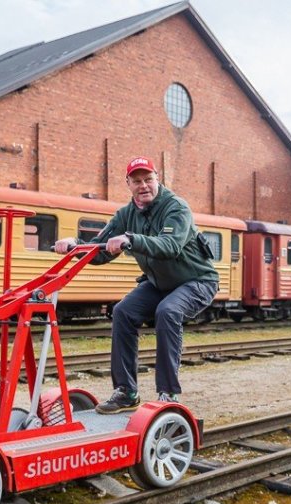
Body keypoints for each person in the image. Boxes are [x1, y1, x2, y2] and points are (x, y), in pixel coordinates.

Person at [54, 156, 218, 413]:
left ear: (157, 179)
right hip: (159, 283)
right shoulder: (125, 215)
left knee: (168, 311)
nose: (144, 186)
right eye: (137, 181)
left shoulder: (176, 207)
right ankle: (126, 392)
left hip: (196, 281)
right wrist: (74, 246)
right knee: (123, 311)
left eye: (148, 179)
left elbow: (170, 247)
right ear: (128, 184)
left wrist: (131, 239)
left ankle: (168, 393)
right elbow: (101, 252)